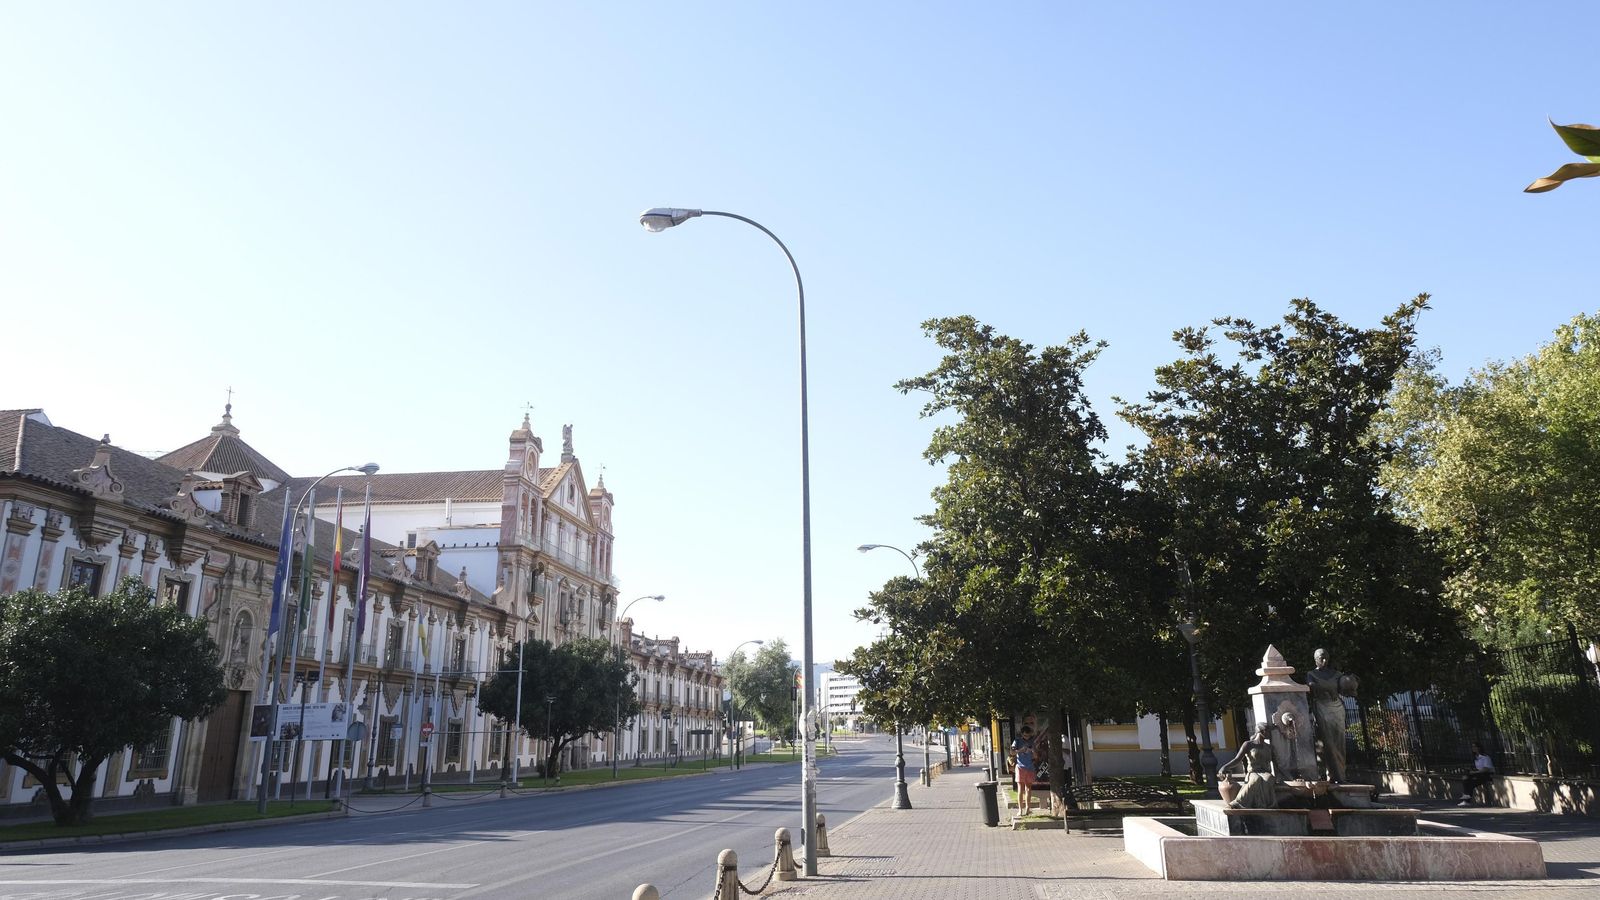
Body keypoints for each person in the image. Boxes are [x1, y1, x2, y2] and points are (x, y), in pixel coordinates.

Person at [1306, 648, 1358, 782]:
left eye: (1326, 658)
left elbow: (1347, 690)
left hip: (1337, 708)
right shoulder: (1311, 674)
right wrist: (1324, 688)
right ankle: (1329, 775)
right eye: (1321, 658)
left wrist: (1350, 683)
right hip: (1321, 707)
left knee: (1340, 743)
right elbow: (1311, 687)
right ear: (1315, 659)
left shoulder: (1337, 674)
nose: (1324, 660)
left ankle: (1340, 775)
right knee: (1327, 743)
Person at [1010, 726, 1038, 814]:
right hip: (1020, 767)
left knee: (1028, 789)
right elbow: (1012, 752)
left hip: (1029, 767)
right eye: (1025, 735)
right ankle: (1020, 810)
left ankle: (1027, 809)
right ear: (1022, 734)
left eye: (1028, 736)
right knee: (1020, 789)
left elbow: (1036, 756)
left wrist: (1032, 751)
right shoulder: (1017, 741)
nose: (1027, 737)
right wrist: (1020, 750)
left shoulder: (1032, 742)